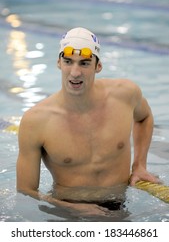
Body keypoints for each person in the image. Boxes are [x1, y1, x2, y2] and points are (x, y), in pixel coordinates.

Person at [16, 27, 159, 215]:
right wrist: (74, 209)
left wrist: (139, 165)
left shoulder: (125, 94)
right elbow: (26, 191)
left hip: (122, 207)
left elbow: (145, 117)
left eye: (84, 63)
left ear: (98, 66)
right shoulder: (35, 121)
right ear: (59, 62)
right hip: (67, 212)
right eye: (68, 62)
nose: (75, 72)